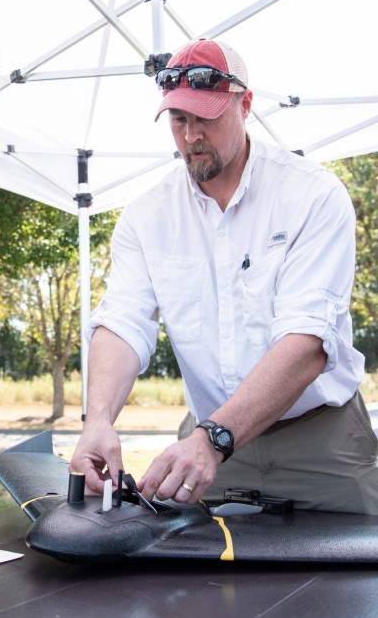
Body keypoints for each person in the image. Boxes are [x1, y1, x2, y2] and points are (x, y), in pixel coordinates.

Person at [70, 38, 378, 514]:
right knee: (194, 583)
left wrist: (213, 439)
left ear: (245, 104)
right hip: (202, 445)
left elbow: (308, 342)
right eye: (178, 119)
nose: (191, 135)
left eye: (206, 117)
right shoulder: (146, 216)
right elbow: (123, 322)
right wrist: (98, 421)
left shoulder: (312, 195)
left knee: (351, 581)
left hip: (320, 439)